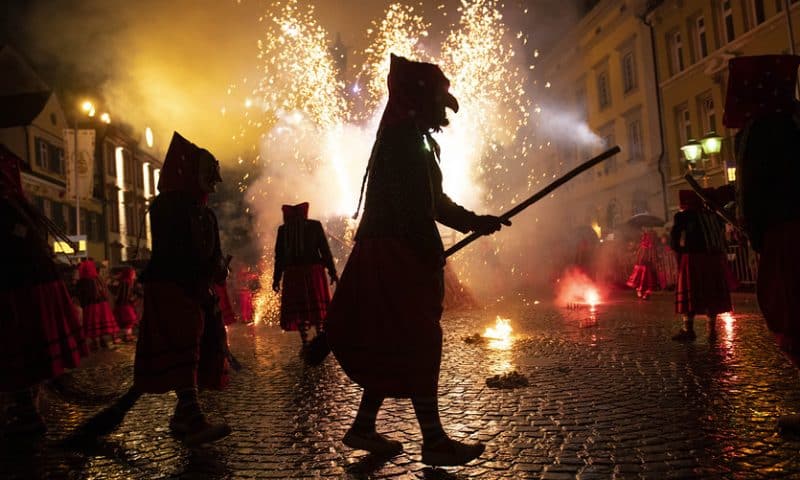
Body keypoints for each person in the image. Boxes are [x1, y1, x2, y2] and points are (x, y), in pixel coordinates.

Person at [326, 54, 509, 466]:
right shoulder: (404, 139)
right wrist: (427, 254)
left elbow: (435, 202)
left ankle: (364, 427)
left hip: (399, 252)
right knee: (420, 342)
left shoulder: (414, 137)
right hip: (396, 254)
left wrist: (475, 222)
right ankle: (433, 440)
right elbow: (414, 210)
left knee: (397, 341)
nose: (445, 114)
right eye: (439, 105)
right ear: (420, 102)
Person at [132, 132, 231, 445]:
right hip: (173, 287)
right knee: (185, 345)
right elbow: (177, 251)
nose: (212, 186)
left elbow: (210, 250)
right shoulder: (167, 208)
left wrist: (218, 268)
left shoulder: (205, 212)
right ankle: (191, 416)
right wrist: (202, 277)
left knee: (203, 345)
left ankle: (182, 415)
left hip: (194, 287)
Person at [726, 55, 800, 431]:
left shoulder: (762, 129)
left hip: (786, 234)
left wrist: (753, 230)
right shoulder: (792, 120)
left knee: (789, 311)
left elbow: (755, 185)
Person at [0, 145, 87, 436]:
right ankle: (27, 409)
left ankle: (26, 411)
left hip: (17, 290)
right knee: (27, 356)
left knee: (18, 355)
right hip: (32, 286)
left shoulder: (10, 207)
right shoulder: (19, 206)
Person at [272, 202, 338, 348]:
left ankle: (305, 340)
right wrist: (332, 271)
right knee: (316, 306)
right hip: (313, 272)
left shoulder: (284, 230)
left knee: (300, 309)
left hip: (293, 274)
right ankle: (320, 335)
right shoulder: (314, 225)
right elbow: (325, 251)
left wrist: (276, 279)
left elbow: (279, 257)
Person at [670, 189, 732, 341]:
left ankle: (688, 330)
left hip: (693, 258)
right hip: (714, 259)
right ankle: (712, 331)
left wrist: (681, 250)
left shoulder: (683, 216)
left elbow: (674, 238)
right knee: (711, 293)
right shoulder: (714, 216)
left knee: (692, 293)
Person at [77, 258, 119, 349]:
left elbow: (81, 294)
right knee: (101, 323)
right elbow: (105, 291)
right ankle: (102, 340)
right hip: (102, 305)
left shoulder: (83, 281)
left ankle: (96, 342)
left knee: (94, 324)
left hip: (91, 305)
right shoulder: (98, 278)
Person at [626, 229, 658, 299]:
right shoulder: (643, 244)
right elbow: (640, 254)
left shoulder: (651, 244)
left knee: (647, 278)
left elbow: (653, 252)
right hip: (642, 263)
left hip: (648, 263)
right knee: (641, 277)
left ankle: (646, 292)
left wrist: (653, 260)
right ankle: (640, 290)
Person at [113, 267, 140, 342]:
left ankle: (126, 336)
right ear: (129, 274)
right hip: (124, 305)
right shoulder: (126, 282)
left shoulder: (127, 281)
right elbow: (126, 295)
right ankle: (124, 336)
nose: (134, 274)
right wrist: (134, 298)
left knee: (124, 320)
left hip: (122, 304)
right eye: (133, 273)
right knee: (128, 319)